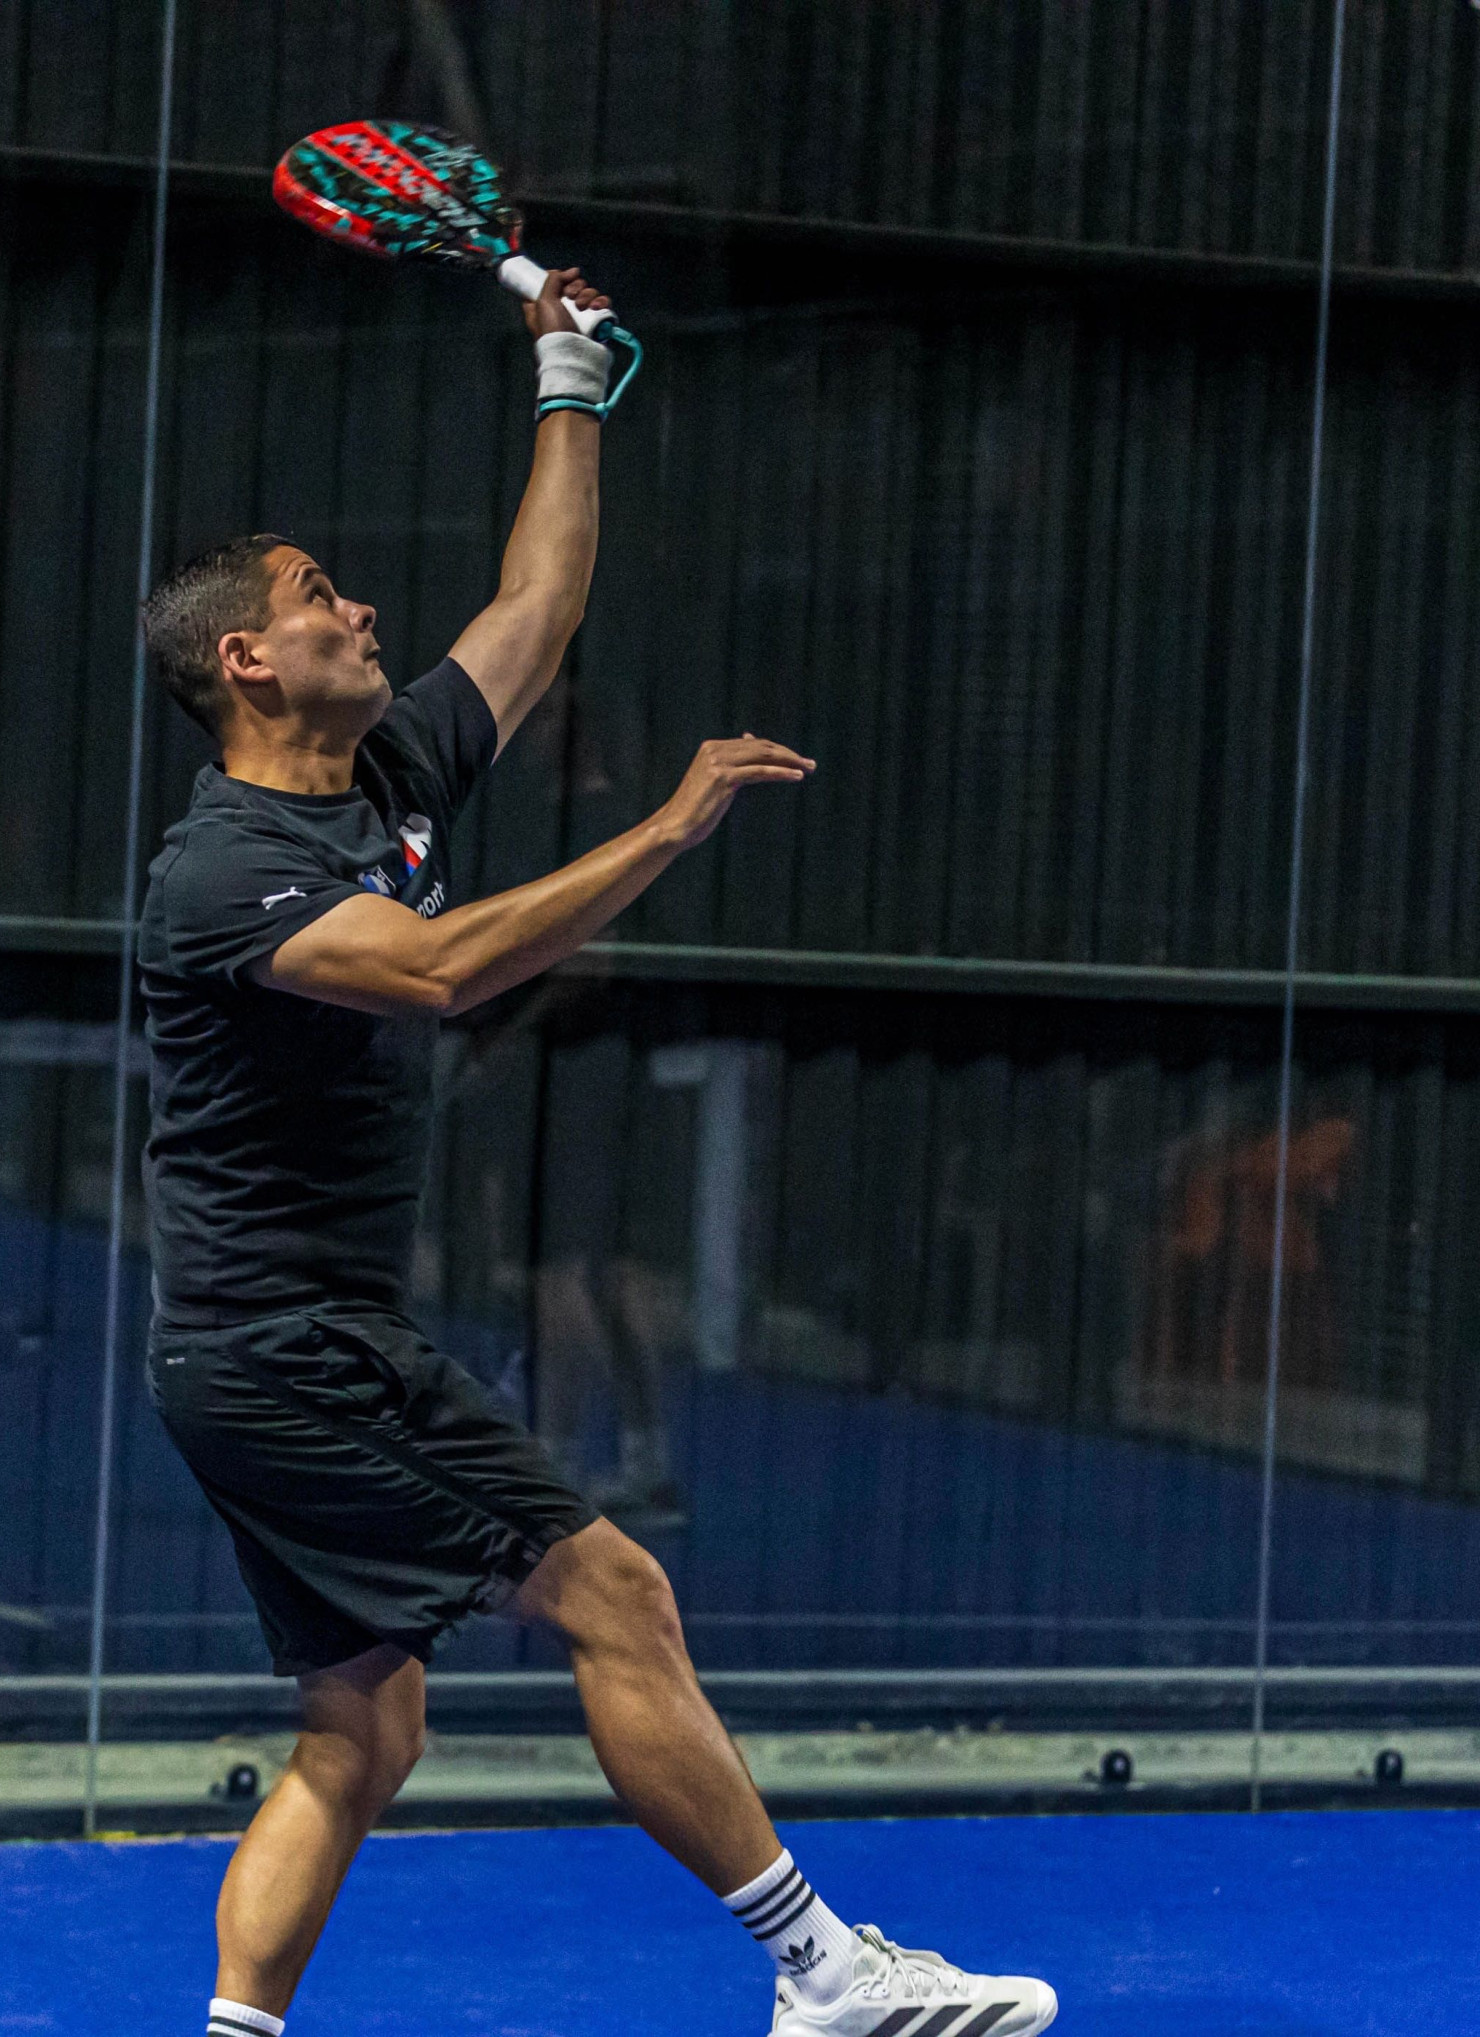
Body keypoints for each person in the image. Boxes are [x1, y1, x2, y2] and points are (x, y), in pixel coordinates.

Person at [137, 268, 1057, 2037]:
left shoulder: (389, 778)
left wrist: (567, 377)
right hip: (286, 1351)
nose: (360, 606)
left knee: (362, 1728)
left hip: (266, 1349)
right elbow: (440, 967)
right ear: (245, 659)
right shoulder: (224, 870)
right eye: (319, 596)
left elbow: (539, 605)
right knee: (617, 1590)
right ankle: (827, 1973)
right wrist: (670, 823)